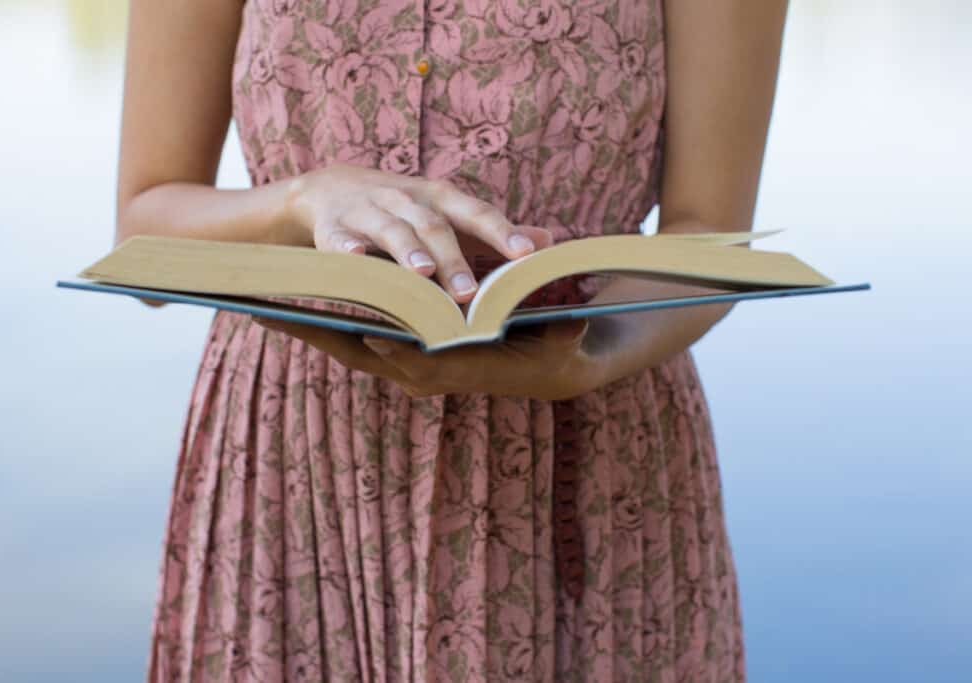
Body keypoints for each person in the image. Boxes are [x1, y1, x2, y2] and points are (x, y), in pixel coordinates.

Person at [117, 1, 787, 680]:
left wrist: (594, 351)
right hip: (290, 462)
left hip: (591, 454)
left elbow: (707, 234)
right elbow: (141, 230)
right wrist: (302, 201)